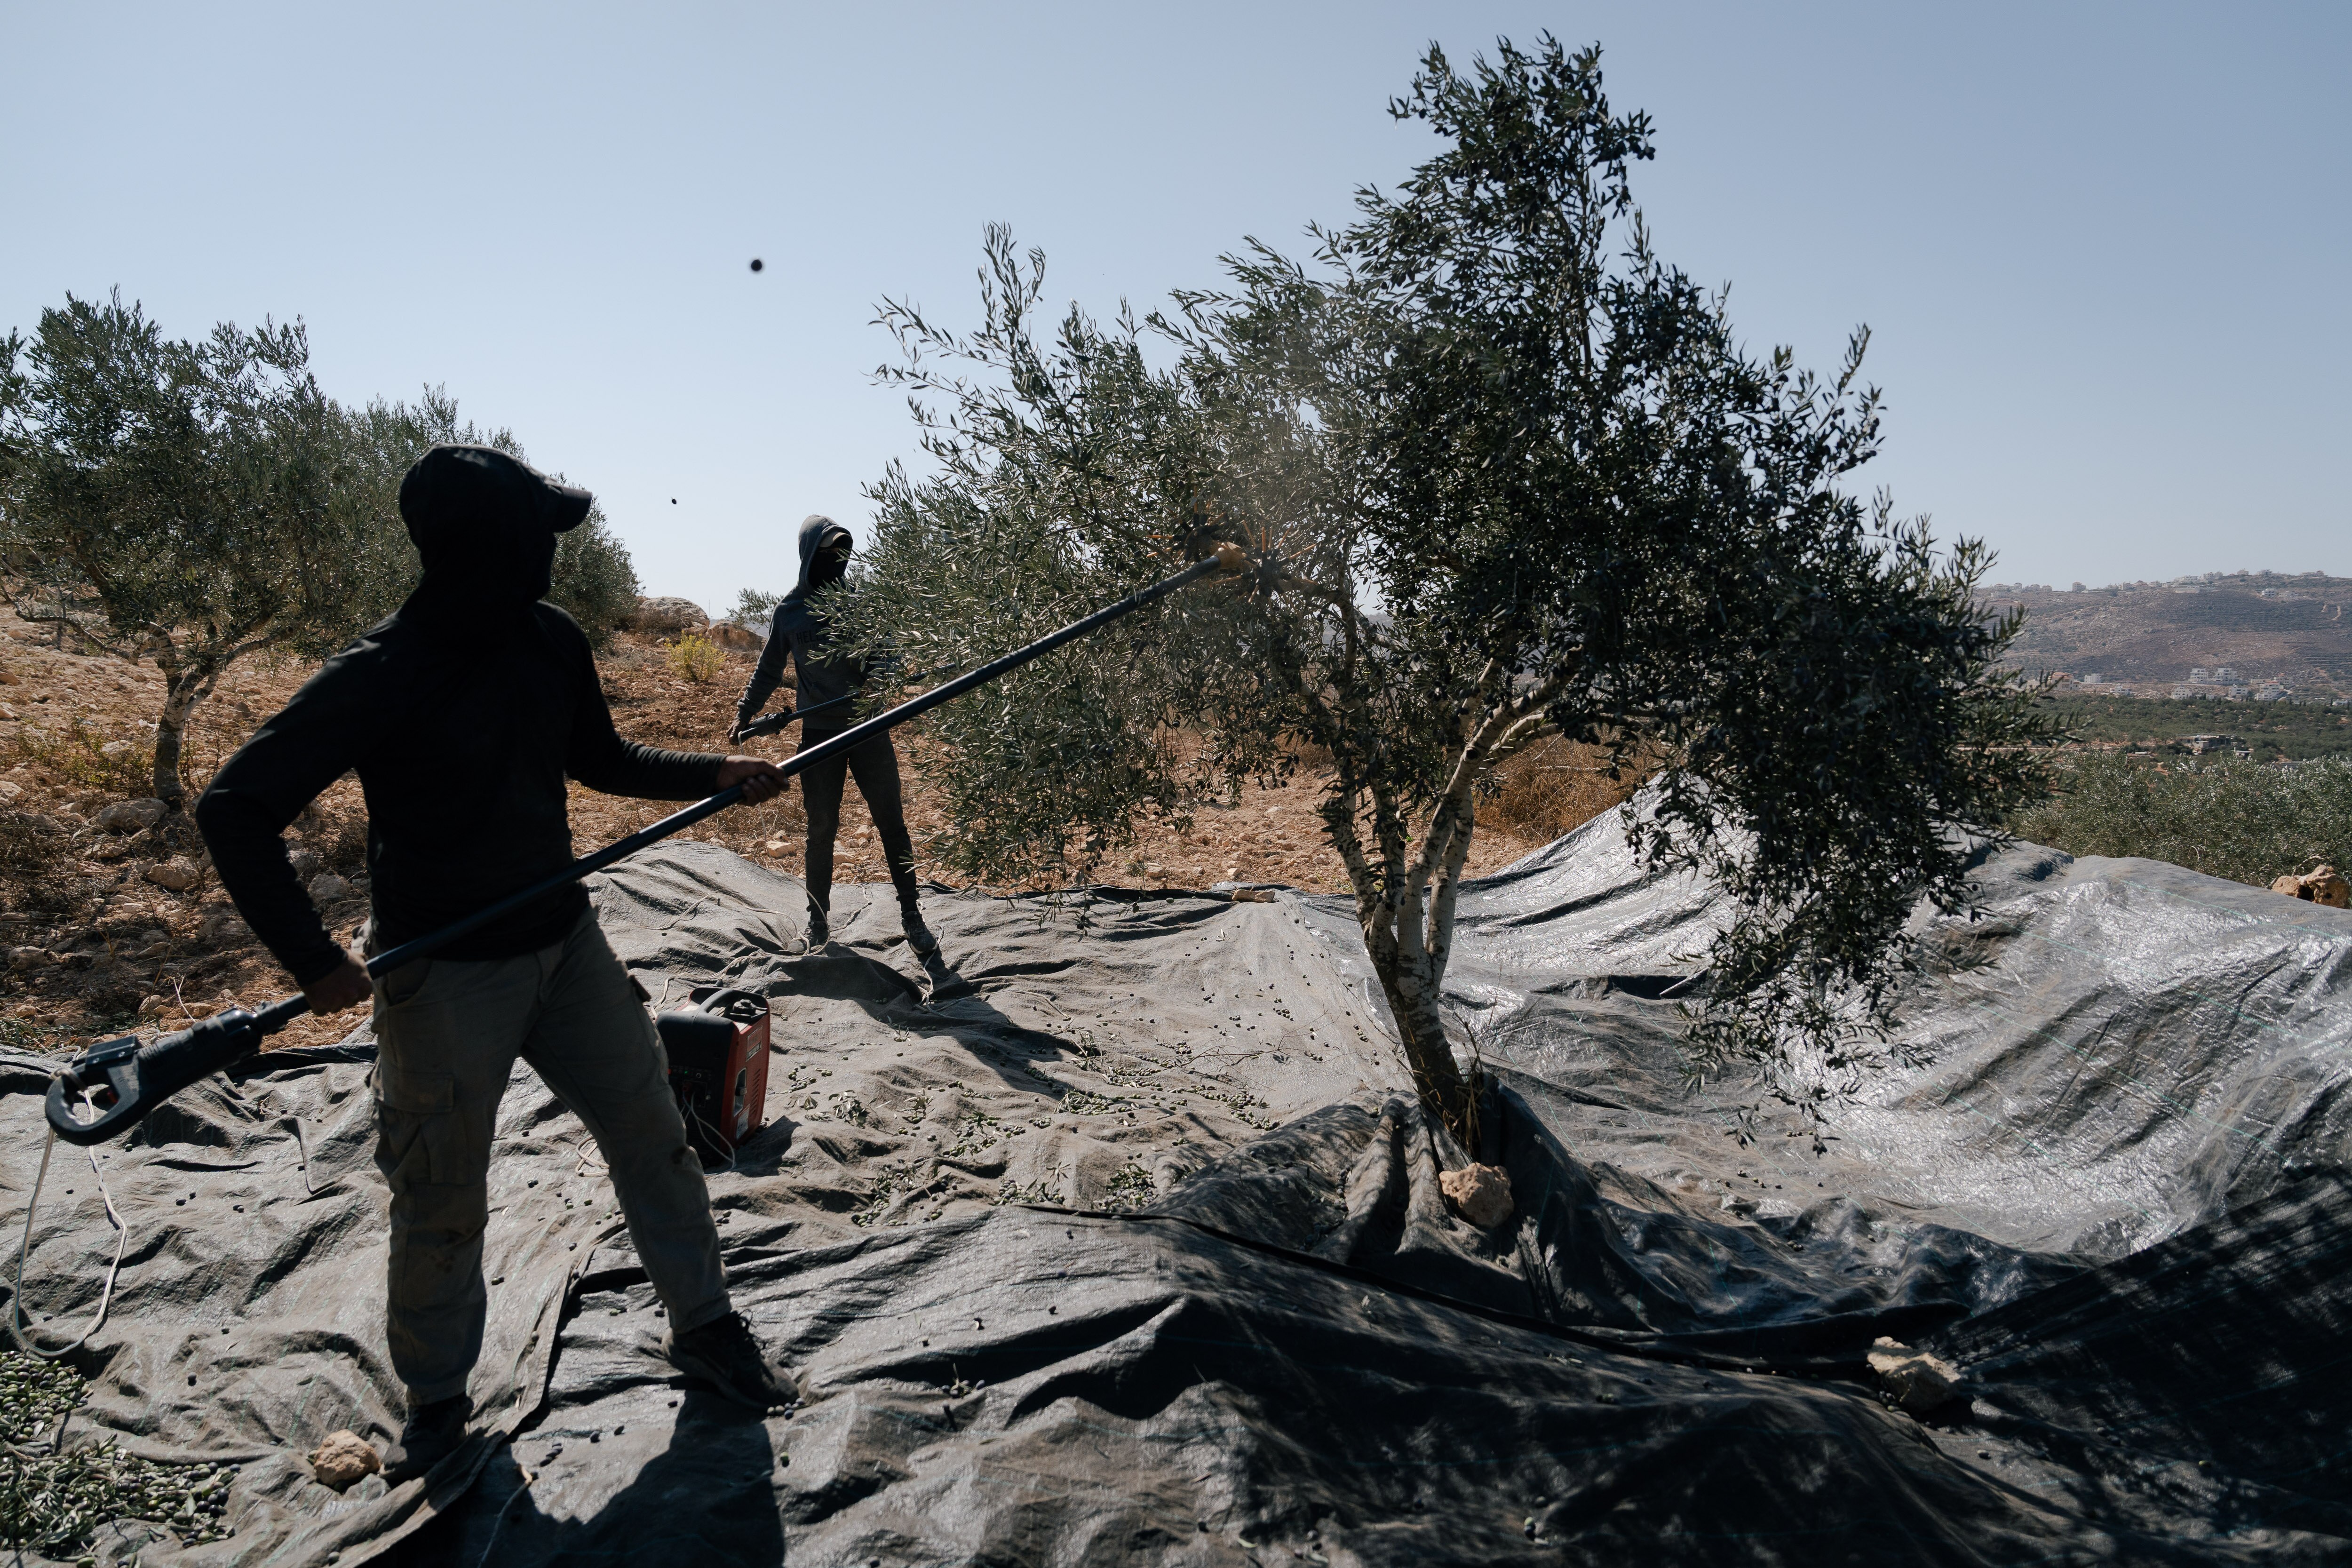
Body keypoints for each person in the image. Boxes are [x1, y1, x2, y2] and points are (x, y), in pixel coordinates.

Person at [196, 445, 801, 1484]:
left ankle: (705, 1326)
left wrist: (715, 771)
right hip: (442, 978)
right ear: (491, 544)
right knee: (441, 1194)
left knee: (654, 1133)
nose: (551, 553)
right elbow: (235, 806)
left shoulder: (549, 638)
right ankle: (438, 1403)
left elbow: (600, 760)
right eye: (537, 533)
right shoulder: (382, 670)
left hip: (564, 944)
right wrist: (312, 958)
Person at [732, 515, 935, 957]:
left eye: (843, 552)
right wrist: (745, 712)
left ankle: (912, 916)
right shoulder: (790, 612)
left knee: (891, 823)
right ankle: (818, 922)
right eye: (828, 553)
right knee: (821, 829)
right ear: (809, 555)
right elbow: (769, 669)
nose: (837, 561)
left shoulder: (860, 604)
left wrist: (877, 679)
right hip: (819, 737)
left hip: (868, 730)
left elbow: (887, 653)